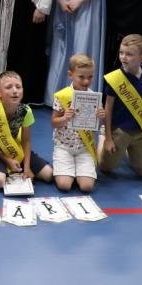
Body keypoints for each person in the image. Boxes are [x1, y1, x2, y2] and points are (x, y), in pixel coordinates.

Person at [0, 70, 54, 191]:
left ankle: (18, 169)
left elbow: (26, 141)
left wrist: (27, 167)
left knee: (49, 174)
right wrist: (7, 160)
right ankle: (1, 169)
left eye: (18, 87)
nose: (15, 91)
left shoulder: (26, 111)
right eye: (9, 87)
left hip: (19, 151)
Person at [101, 34, 142, 179]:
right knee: (106, 168)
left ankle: (128, 150)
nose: (123, 57)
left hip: (140, 131)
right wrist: (108, 138)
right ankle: (102, 139)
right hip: (120, 129)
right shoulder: (115, 79)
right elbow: (108, 109)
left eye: (129, 54)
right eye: (121, 53)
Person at [50, 54, 102, 193]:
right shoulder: (62, 96)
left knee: (87, 187)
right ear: (70, 75)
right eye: (81, 77)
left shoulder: (94, 97)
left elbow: (96, 127)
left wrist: (100, 117)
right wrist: (64, 118)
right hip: (64, 147)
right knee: (64, 185)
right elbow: (54, 123)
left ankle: (100, 145)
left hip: (85, 148)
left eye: (90, 77)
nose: (86, 81)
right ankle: (67, 169)